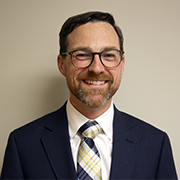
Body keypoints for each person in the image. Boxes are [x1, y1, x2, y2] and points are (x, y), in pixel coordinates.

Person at [0, 11, 178, 180]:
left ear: (122, 64)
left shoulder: (156, 144)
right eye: (83, 55)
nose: (97, 68)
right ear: (62, 65)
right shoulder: (22, 144)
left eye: (108, 55)